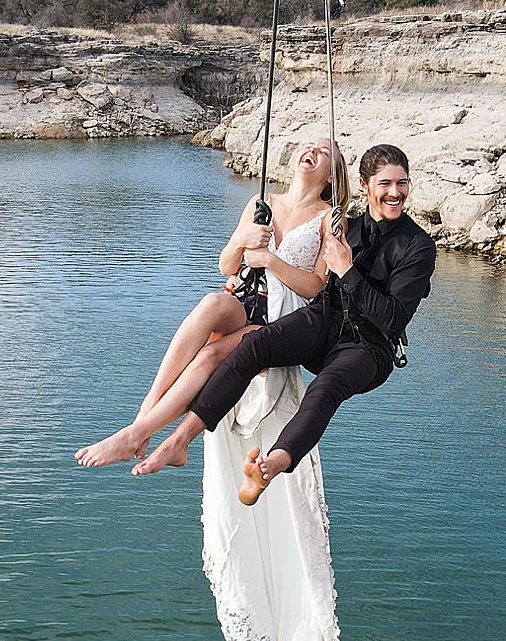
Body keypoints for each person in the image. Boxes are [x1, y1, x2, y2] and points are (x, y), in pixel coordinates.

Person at [132, 144, 434, 512]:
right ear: (364, 186)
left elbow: (393, 318)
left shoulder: (419, 246)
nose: (395, 192)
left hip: (369, 347)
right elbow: (303, 279)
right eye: (385, 183)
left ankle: (267, 467)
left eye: (402, 183)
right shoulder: (345, 227)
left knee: (325, 390)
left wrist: (348, 271)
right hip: (324, 321)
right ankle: (179, 440)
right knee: (254, 345)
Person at [73, 138, 348, 469]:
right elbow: (227, 265)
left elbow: (316, 287)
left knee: (211, 354)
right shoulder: (262, 202)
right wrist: (241, 242)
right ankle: (147, 409)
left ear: (331, 176)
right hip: (248, 296)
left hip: (283, 314)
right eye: (308, 146)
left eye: (323, 152)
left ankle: (137, 435)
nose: (311, 152)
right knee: (210, 304)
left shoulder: (329, 217)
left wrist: (269, 260)